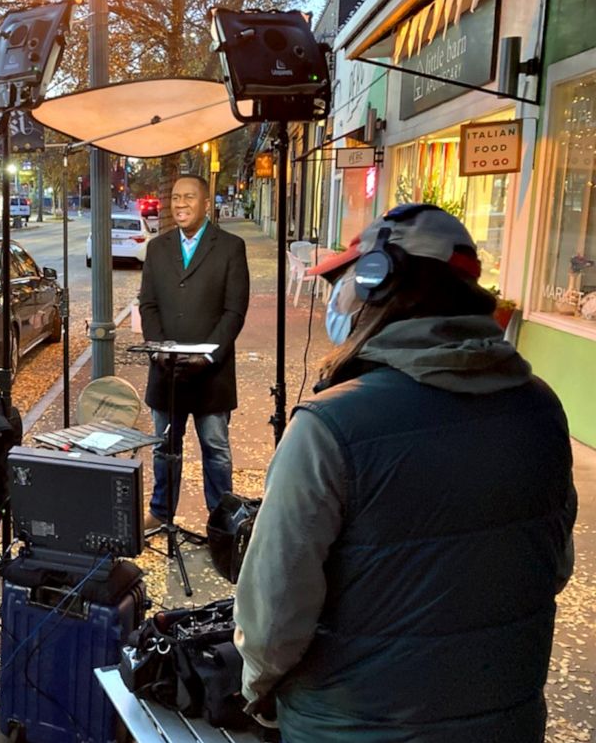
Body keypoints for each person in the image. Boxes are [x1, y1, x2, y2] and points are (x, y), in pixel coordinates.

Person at [233, 204, 577, 742]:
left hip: (352, 726)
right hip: (506, 720)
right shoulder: (542, 409)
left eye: (349, 281)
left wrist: (258, 693)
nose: (340, 298)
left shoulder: (329, 427)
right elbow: (552, 567)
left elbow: (273, 619)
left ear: (378, 285)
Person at [138, 174, 250, 530]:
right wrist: (159, 350)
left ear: (206, 203)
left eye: (189, 197)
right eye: (175, 198)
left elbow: (235, 311)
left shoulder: (230, 247)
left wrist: (208, 356)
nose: (180, 204)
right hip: (166, 370)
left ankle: (221, 521)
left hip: (211, 373)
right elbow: (148, 305)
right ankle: (160, 511)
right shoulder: (158, 248)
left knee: (215, 448)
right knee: (163, 447)